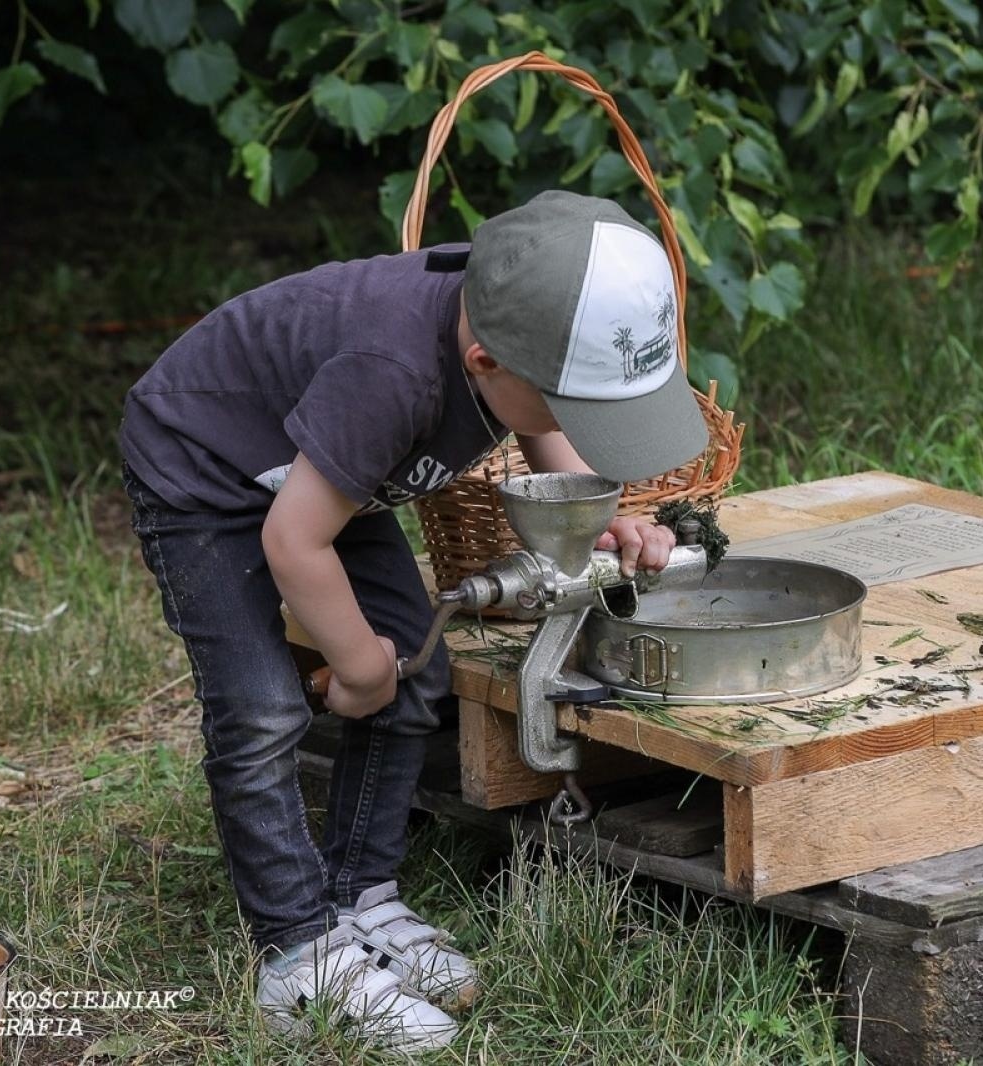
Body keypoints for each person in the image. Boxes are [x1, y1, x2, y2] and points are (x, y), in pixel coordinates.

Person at [117, 189, 708, 1050]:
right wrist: (355, 664)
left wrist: (597, 520)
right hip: (205, 471)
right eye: (577, 405)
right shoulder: (392, 372)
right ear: (483, 364)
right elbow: (292, 542)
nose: (581, 427)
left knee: (419, 665)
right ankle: (296, 957)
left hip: (320, 478)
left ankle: (358, 897)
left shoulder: (508, 317)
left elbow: (545, 437)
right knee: (263, 711)